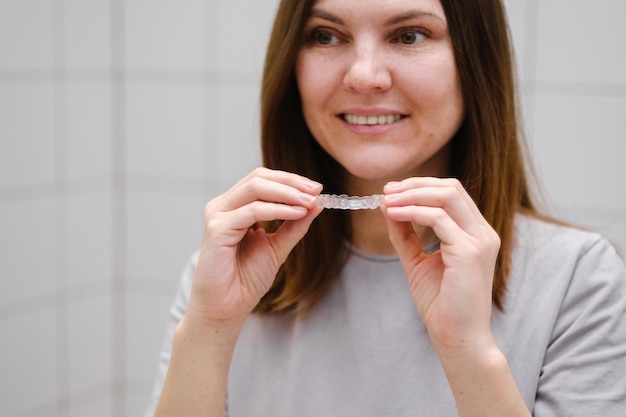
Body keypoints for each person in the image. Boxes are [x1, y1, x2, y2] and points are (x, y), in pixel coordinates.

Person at [145, 0, 626, 415]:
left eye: (409, 35)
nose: (364, 76)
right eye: (326, 35)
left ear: (475, 60)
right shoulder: (224, 276)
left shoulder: (577, 281)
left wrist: (469, 354)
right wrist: (209, 328)